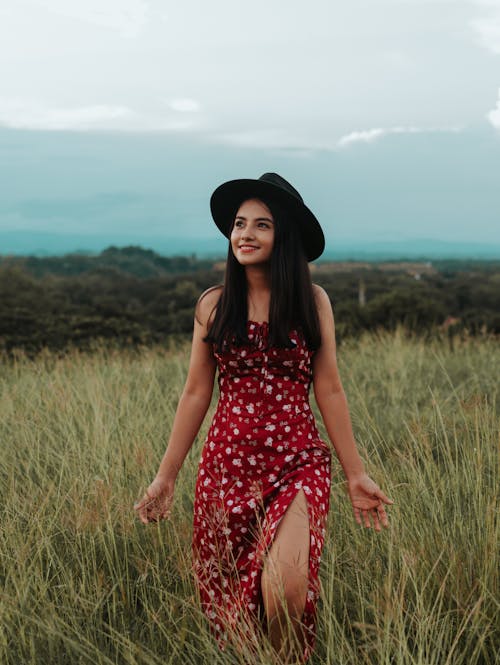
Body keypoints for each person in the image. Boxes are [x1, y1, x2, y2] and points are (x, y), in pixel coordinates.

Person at [134, 173, 393, 664]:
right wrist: (165, 478)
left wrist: (356, 474)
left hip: (298, 462)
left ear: (284, 236)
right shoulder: (214, 305)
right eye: (238, 224)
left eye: (261, 225)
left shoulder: (312, 304)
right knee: (237, 617)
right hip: (226, 470)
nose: (245, 234)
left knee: (288, 588)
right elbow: (195, 393)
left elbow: (330, 388)